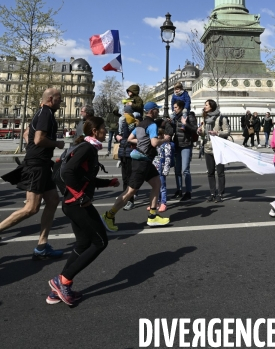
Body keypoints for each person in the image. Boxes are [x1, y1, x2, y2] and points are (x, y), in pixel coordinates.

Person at [47, 117, 120, 305]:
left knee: (82, 243)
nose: (107, 131)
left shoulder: (85, 147)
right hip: (78, 204)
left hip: (72, 204)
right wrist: (80, 196)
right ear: (95, 131)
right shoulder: (87, 149)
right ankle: (62, 280)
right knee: (100, 241)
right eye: (104, 128)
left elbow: (83, 177)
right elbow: (67, 173)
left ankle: (60, 289)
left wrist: (107, 183)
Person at [0, 88, 65, 258]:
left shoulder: (42, 112)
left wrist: (31, 148)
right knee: (31, 208)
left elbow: (29, 134)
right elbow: (38, 139)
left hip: (41, 164)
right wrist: (57, 144)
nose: (61, 101)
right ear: (51, 99)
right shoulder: (46, 114)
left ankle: (42, 246)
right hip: (36, 166)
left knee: (52, 200)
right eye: (59, 99)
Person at [101, 102, 170, 231]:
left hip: (145, 160)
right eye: (157, 110)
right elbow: (155, 143)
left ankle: (153, 215)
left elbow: (130, 138)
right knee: (130, 191)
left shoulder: (141, 124)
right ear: (152, 111)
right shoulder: (152, 125)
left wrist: (143, 141)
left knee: (156, 184)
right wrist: (165, 139)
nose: (158, 112)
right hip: (142, 162)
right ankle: (108, 215)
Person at [199, 99, 231, 202]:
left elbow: (227, 131)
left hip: (218, 148)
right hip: (208, 147)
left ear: (211, 106)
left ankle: (220, 193)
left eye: (206, 105)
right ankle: (212, 193)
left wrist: (216, 133)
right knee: (210, 172)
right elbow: (204, 132)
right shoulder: (205, 117)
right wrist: (200, 131)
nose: (205, 107)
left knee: (220, 172)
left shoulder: (221, 118)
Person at [171, 99, 197, 201]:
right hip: (177, 144)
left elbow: (194, 129)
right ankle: (179, 190)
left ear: (181, 107)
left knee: (185, 169)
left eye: (176, 107)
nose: (174, 109)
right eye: (174, 108)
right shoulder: (175, 117)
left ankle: (188, 192)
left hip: (186, 144)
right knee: (177, 170)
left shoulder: (189, 116)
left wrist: (185, 124)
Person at [116, 106, 139, 211]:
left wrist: (122, 136)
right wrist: (117, 136)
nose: (123, 114)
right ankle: (126, 197)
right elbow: (119, 135)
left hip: (130, 153)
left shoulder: (134, 124)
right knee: (125, 179)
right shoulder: (123, 123)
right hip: (123, 153)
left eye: (125, 112)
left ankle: (130, 200)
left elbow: (131, 138)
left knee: (130, 178)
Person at [150, 128, 174, 212]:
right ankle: (155, 202)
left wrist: (166, 169)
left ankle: (163, 203)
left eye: (159, 135)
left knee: (162, 186)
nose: (158, 137)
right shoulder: (155, 144)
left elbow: (168, 158)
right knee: (155, 186)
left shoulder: (166, 144)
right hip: (154, 167)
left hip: (161, 168)